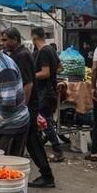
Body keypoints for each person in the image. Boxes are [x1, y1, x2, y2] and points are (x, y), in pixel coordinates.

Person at [0, 28, 54, 188]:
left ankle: (46, 175)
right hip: (28, 106)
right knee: (30, 140)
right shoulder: (19, 54)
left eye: (5, 40)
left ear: (15, 39)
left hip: (28, 106)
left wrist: (22, 107)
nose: (3, 44)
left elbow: (28, 84)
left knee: (32, 140)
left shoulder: (22, 56)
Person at [32, 27, 64, 162]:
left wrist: (30, 76)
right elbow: (60, 67)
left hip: (45, 92)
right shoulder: (51, 49)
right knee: (46, 121)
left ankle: (58, 151)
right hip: (51, 91)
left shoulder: (44, 51)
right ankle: (38, 148)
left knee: (44, 122)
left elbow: (45, 73)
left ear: (33, 37)